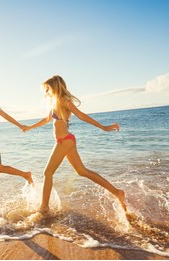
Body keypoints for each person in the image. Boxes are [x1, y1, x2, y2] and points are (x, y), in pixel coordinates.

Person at [23, 75, 127, 213]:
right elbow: (46, 119)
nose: (46, 92)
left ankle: (44, 207)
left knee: (47, 172)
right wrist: (29, 127)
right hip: (64, 141)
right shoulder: (55, 103)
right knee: (82, 171)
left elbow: (82, 115)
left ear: (54, 87)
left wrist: (103, 127)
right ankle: (117, 192)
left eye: (47, 88)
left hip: (65, 141)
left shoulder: (64, 101)